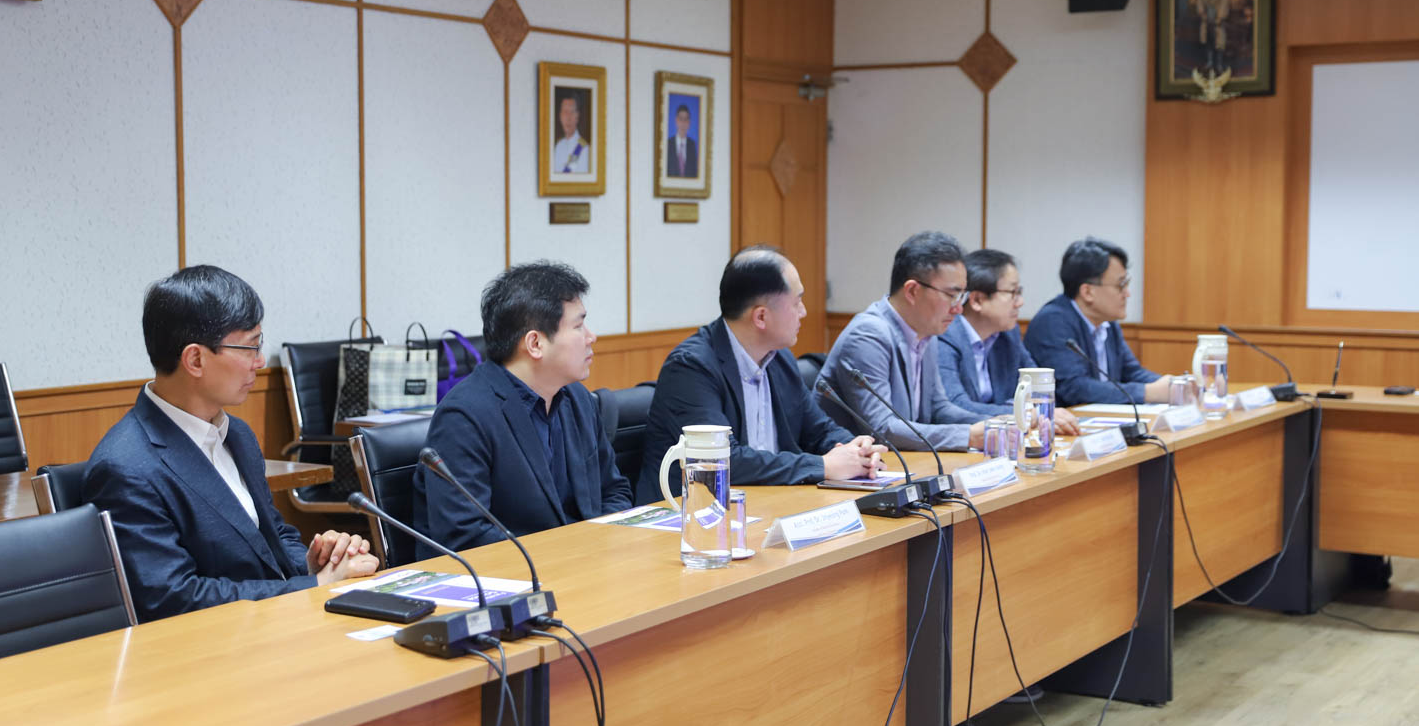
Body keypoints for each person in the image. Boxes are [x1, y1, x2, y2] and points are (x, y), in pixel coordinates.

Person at [84, 266, 377, 622]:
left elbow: (272, 534)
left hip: (272, 626)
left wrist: (315, 561)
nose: (260, 362)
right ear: (195, 359)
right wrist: (313, 586)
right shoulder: (126, 468)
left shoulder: (235, 433)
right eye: (250, 347)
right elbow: (173, 598)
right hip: (209, 646)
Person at [637, 245, 883, 502]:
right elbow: (725, 462)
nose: (803, 312)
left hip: (769, 503)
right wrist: (823, 466)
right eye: (797, 302)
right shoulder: (691, 368)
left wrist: (858, 450)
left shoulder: (780, 359)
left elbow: (819, 431)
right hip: (692, 513)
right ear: (761, 317)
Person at [416, 261, 631, 551]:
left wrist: (593, 548)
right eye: (579, 326)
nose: (591, 337)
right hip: (507, 573)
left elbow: (614, 490)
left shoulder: (577, 399)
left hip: (581, 563)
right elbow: (466, 536)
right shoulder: (465, 416)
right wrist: (570, 553)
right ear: (535, 344)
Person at [817, 231, 994, 453]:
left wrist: (994, 424)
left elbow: (939, 409)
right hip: (854, 466)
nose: (958, 308)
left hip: (904, 463)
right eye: (952, 295)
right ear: (912, 291)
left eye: (962, 296)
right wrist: (969, 436)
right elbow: (882, 429)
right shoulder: (868, 335)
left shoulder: (926, 332)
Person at [936, 248, 1079, 434]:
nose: (1020, 302)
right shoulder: (945, 335)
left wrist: (1031, 411)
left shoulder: (1008, 334)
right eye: (1013, 292)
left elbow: (1038, 389)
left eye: (1019, 292)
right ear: (977, 300)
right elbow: (956, 406)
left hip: (1004, 438)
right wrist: (1024, 414)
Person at [1024, 237, 1171, 406]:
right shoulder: (1052, 322)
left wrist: (1172, 386)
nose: (1127, 293)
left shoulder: (1107, 323)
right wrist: (1147, 392)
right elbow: (1074, 388)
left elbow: (1131, 372)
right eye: (1120, 285)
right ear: (1087, 292)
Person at [552, 92, 591, 174]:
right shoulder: (558, 146)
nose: (568, 118)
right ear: (560, 116)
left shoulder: (584, 149)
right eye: (565, 112)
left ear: (577, 116)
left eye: (572, 112)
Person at [666, 103, 698, 178]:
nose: (683, 123)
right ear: (676, 121)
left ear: (689, 123)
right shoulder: (668, 144)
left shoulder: (693, 145)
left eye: (686, 119)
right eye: (681, 119)